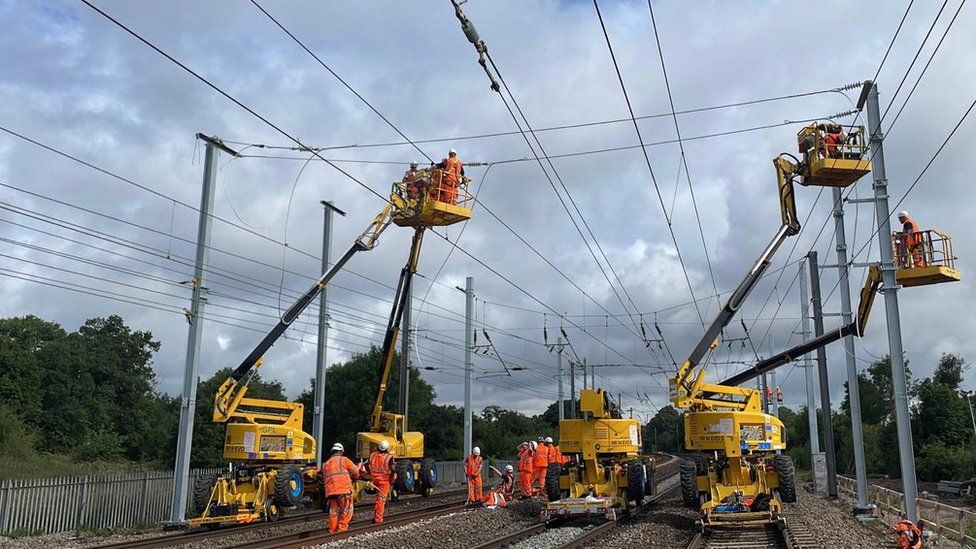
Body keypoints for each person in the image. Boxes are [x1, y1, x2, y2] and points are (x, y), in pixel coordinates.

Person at [322, 442, 361, 533]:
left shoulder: (325, 464)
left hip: (331, 491)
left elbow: (325, 478)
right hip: (344, 490)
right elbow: (356, 472)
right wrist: (355, 477)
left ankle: (332, 529)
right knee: (347, 510)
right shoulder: (344, 460)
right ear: (341, 452)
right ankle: (342, 529)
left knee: (333, 511)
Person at [366, 439, 396, 523]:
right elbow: (393, 468)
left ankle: (377, 515)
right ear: (387, 448)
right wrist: (392, 476)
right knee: (381, 500)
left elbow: (365, 464)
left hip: (374, 479)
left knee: (378, 498)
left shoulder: (372, 455)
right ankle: (378, 519)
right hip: (384, 481)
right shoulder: (389, 457)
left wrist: (370, 474)